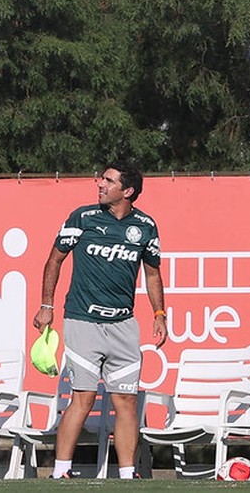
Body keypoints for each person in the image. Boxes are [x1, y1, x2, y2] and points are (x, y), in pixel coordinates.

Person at [32, 160, 167, 479]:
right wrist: (46, 305)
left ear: (128, 191)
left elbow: (152, 273)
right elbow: (54, 260)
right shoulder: (82, 217)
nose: (99, 183)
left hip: (123, 326)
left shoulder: (145, 226)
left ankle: (127, 474)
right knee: (84, 397)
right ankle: (61, 471)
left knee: (125, 401)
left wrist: (160, 313)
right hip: (83, 322)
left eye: (108, 180)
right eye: (101, 179)